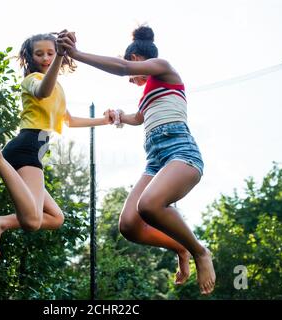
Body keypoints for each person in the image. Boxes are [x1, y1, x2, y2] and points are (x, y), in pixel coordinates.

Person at [57, 26, 216, 295]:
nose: (131, 80)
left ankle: (200, 252)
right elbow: (139, 118)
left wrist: (76, 54)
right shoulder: (149, 92)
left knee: (150, 205)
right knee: (129, 225)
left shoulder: (164, 68)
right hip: (155, 159)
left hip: (181, 152)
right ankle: (181, 246)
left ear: (135, 59)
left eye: (132, 73)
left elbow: (120, 68)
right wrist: (119, 115)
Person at [0, 31, 114, 259]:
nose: (46, 57)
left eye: (51, 53)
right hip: (26, 148)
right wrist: (61, 56)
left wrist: (105, 120)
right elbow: (42, 93)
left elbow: (69, 121)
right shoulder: (32, 80)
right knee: (32, 221)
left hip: (32, 151)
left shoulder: (58, 88)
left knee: (55, 218)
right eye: (39, 53)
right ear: (31, 57)